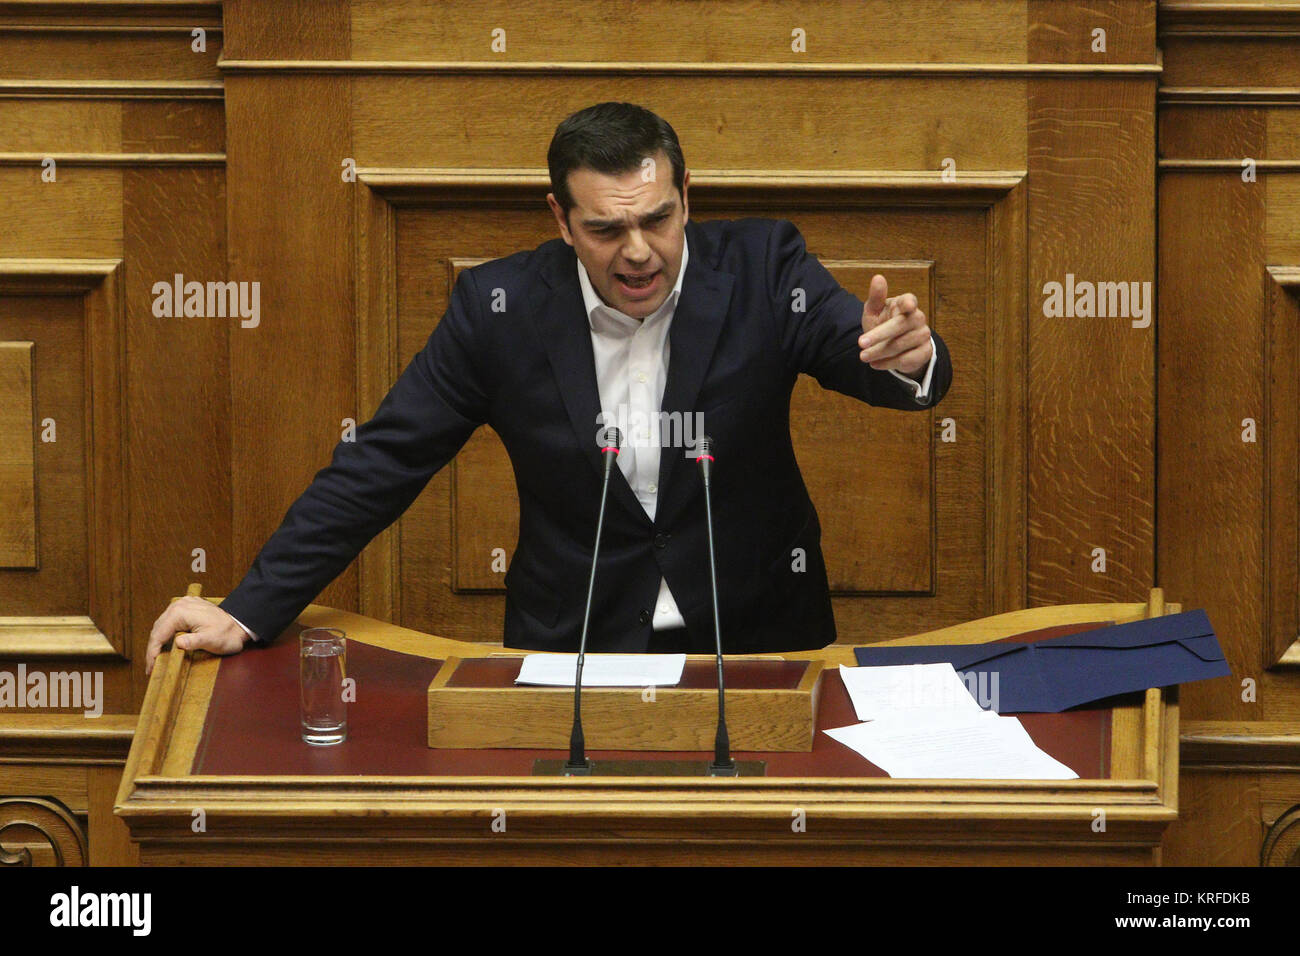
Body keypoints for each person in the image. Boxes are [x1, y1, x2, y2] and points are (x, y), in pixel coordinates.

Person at [146, 101, 952, 674]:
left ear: (686, 200)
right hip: (574, 652)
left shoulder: (764, 269)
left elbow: (876, 353)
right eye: (605, 229)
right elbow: (381, 463)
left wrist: (909, 357)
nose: (638, 252)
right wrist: (247, 609)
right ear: (561, 221)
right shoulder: (498, 309)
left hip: (761, 643)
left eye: (659, 221)